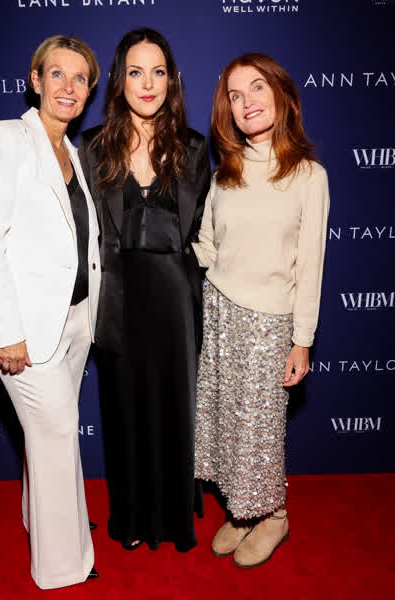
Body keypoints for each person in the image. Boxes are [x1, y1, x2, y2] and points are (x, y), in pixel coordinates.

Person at [0, 35, 101, 589]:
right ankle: (63, 567)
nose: (68, 86)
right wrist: (5, 331)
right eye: (57, 74)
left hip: (74, 320)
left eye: (80, 78)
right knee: (57, 434)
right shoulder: (4, 138)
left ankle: (46, 521)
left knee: (50, 438)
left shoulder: (74, 153)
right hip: (24, 328)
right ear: (36, 80)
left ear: (89, 90)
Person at [193, 53, 329, 568]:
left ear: (281, 94)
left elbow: (310, 265)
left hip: (269, 323)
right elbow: (208, 247)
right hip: (218, 313)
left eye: (256, 88)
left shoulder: (309, 176)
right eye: (234, 95)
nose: (246, 102)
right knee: (225, 423)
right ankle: (242, 509)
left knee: (259, 428)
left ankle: (274, 515)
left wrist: (302, 340)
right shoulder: (222, 175)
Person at [78, 28, 211, 552]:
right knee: (124, 409)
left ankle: (174, 518)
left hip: (176, 300)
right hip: (118, 299)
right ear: (119, 79)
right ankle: (131, 516)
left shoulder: (194, 147)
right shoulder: (92, 147)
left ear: (171, 80)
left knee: (176, 408)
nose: (148, 83)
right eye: (136, 72)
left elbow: (202, 234)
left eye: (158, 72)